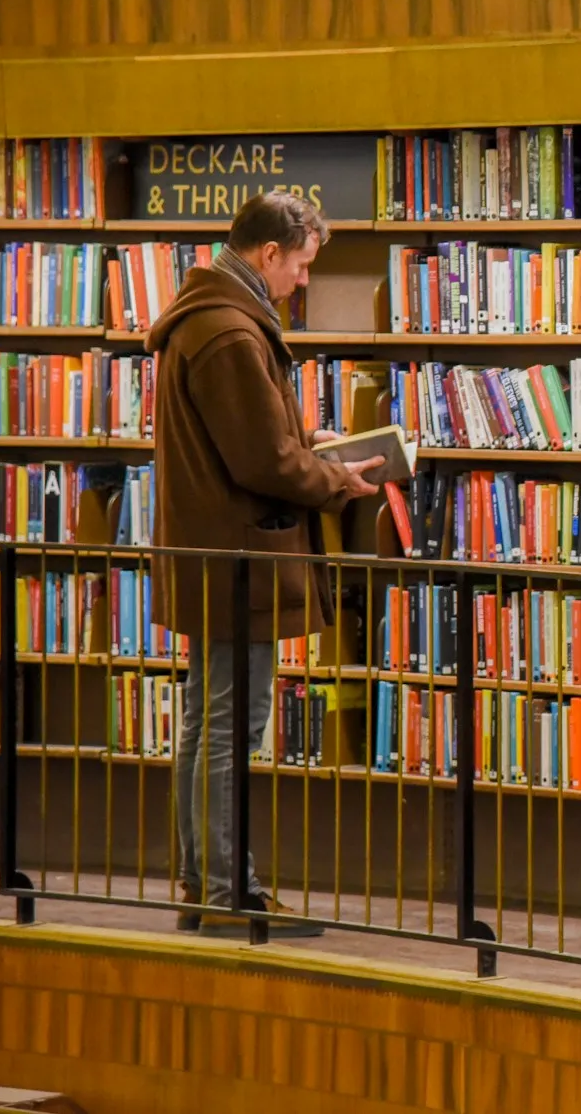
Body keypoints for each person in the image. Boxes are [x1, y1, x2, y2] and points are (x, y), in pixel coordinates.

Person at [147, 191, 381, 935]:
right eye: (302, 265)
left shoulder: (212, 319)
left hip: (216, 553)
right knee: (228, 728)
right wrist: (336, 479)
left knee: (205, 722)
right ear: (269, 253)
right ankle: (227, 895)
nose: (303, 281)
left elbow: (257, 443)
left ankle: (202, 881)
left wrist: (312, 455)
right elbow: (262, 459)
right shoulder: (229, 335)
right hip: (238, 559)